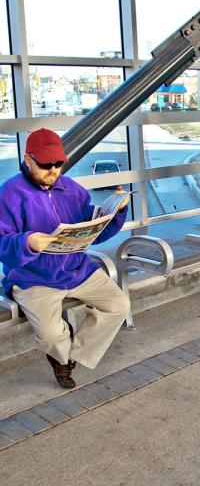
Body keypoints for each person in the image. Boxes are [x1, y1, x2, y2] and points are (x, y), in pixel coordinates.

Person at [0, 129, 130, 388]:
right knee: (50, 335)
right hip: (34, 278)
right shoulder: (9, 194)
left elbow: (92, 232)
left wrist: (115, 213)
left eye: (58, 163)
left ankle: (72, 354)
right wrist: (26, 243)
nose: (53, 170)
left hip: (77, 269)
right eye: (46, 164)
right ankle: (60, 356)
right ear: (28, 160)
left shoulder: (73, 190)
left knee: (119, 305)